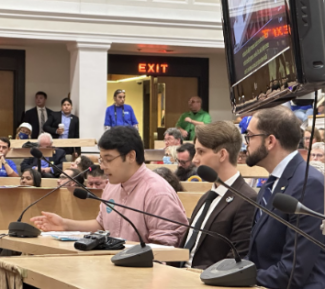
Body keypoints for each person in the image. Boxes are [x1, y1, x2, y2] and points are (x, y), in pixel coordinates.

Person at [30, 126, 188, 246]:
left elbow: (164, 250)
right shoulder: (113, 185)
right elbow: (102, 224)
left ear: (131, 156)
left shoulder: (157, 192)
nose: (103, 166)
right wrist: (65, 224)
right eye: (101, 159)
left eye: (109, 159)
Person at [245, 106, 325, 288]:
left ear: (270, 141)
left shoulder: (307, 184)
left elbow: (293, 271)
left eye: (250, 136)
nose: (246, 143)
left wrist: (242, 279)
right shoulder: (270, 183)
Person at [177, 121, 256, 269]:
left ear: (222, 154)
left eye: (201, 152)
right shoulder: (207, 197)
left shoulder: (246, 200)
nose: (195, 160)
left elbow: (235, 261)